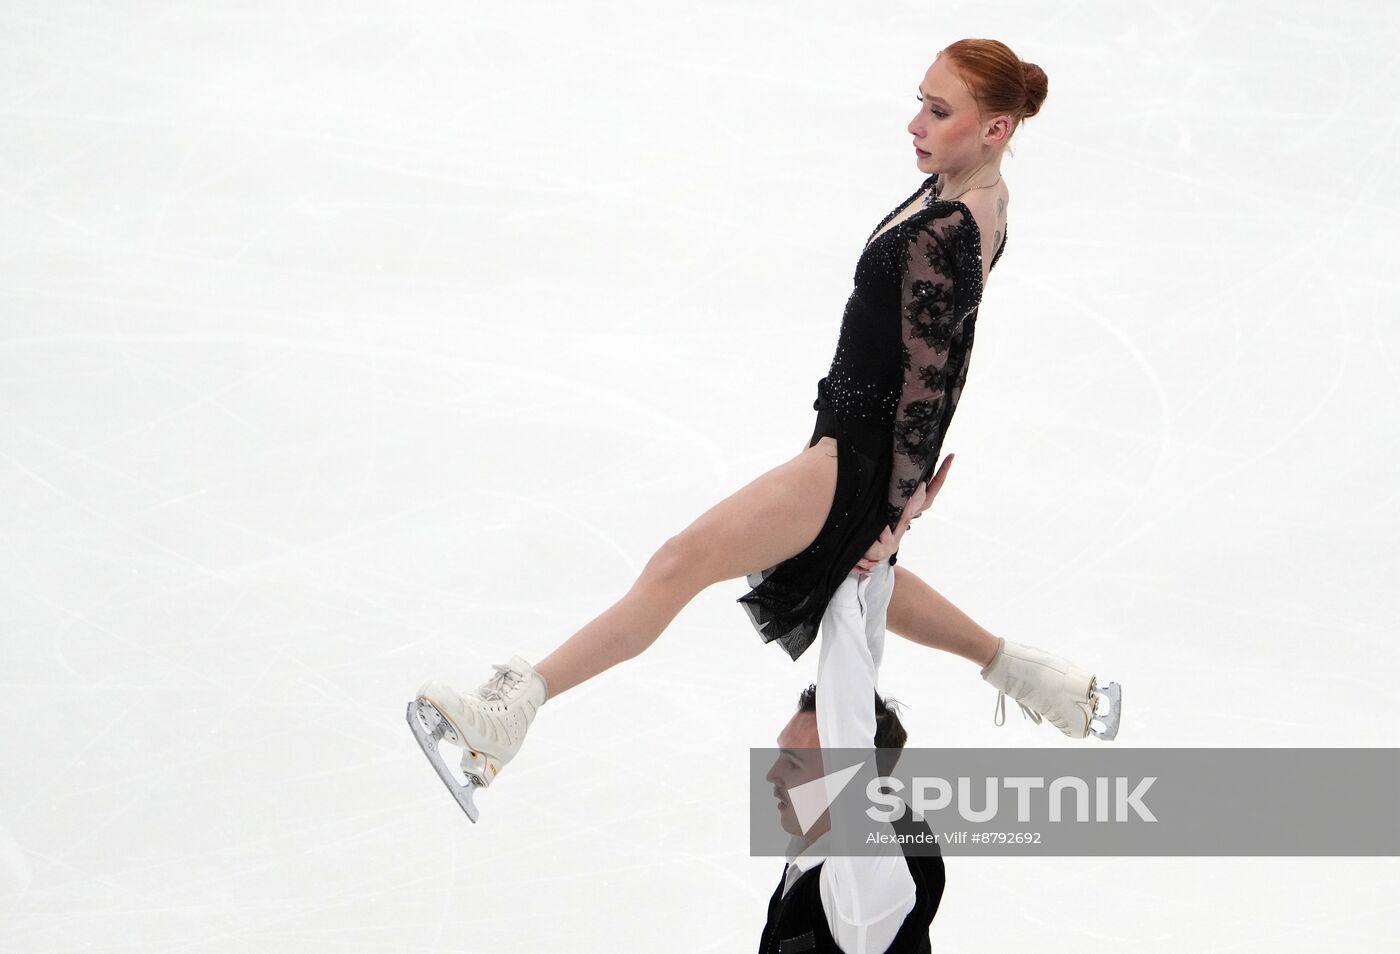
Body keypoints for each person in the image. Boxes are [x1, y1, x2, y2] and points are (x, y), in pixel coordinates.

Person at [410, 38, 1120, 819]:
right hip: (848, 440)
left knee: (680, 562)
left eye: (938, 110)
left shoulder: (953, 227)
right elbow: (944, 355)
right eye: (919, 101)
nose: (915, 123)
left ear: (996, 129)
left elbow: (934, 376)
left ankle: (510, 715)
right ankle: (1038, 678)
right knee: (849, 580)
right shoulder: (973, 193)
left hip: (855, 457)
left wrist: (895, 507)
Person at [760, 561, 944, 954]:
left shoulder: (865, 889)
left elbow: (850, 724)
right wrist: (870, 569)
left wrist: (843, 584)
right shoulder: (817, 846)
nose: (772, 774)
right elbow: (857, 684)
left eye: (793, 763)